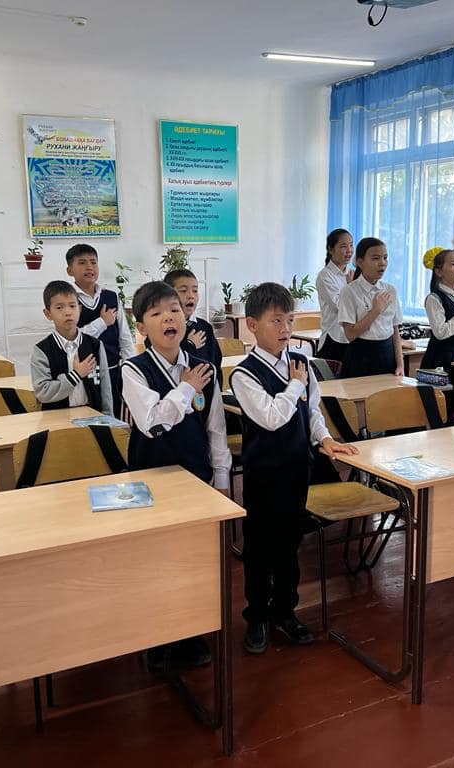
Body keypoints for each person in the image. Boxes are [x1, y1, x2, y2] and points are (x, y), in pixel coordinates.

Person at [230, 282, 358, 654]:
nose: (285, 328)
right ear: (252, 324)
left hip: (297, 467)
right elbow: (272, 418)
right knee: (260, 547)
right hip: (264, 472)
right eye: (276, 321)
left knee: (289, 544)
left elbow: (312, 409)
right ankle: (257, 616)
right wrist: (293, 386)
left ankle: (285, 611)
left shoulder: (301, 364)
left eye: (289, 320)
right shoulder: (244, 374)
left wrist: (325, 439)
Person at [121, 281, 231, 669]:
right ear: (141, 327)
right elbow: (153, 423)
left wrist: (222, 478)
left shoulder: (203, 368)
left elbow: (216, 428)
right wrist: (185, 389)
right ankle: (157, 637)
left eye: (174, 310)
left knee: (194, 559)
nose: (169, 317)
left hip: (197, 476)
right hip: (152, 478)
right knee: (156, 559)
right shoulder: (133, 369)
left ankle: (190, 632)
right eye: (156, 313)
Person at [65, 243, 135, 414]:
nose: (89, 267)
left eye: (93, 262)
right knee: (90, 416)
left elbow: (125, 338)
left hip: (113, 370)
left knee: (117, 416)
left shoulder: (111, 297)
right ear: (70, 270)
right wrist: (102, 322)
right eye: (82, 262)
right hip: (85, 374)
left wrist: (131, 369)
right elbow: (71, 339)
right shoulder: (68, 301)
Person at [31, 279, 113, 414]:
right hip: (57, 419)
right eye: (59, 307)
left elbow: (105, 388)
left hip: (93, 416)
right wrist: (76, 375)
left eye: (72, 306)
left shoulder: (95, 345)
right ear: (48, 313)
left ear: (79, 309)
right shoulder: (42, 350)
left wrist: (109, 417)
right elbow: (43, 393)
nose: (68, 312)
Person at [336, 237, 404, 378]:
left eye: (385, 258)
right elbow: (350, 334)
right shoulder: (349, 291)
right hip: (360, 356)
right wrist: (375, 311)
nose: (382, 263)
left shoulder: (390, 290)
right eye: (375, 258)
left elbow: (395, 331)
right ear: (360, 262)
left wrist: (400, 365)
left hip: (387, 354)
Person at [421, 248, 454, 419]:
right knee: (441, 409)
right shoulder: (434, 298)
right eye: (453, 264)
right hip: (440, 361)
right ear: (439, 272)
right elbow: (440, 332)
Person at [163, 268, 224, 384]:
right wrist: (189, 345)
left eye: (195, 291)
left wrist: (216, 390)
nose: (191, 296)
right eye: (183, 291)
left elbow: (215, 364)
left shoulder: (205, 327)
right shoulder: (162, 327)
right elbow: (163, 363)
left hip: (205, 391)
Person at [314, 228, 354, 363]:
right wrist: (351, 288)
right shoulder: (325, 276)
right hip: (333, 339)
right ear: (330, 250)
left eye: (351, 245)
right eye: (343, 246)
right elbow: (339, 307)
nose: (349, 250)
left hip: (352, 338)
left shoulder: (353, 274)